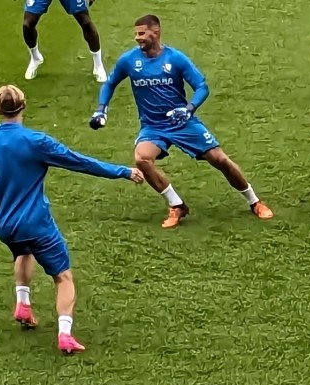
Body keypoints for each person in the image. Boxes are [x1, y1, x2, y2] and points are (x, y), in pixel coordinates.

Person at [0, 84, 144, 354]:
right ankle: (65, 334)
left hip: (3, 224)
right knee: (63, 276)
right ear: (24, 106)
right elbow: (79, 162)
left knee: (22, 251)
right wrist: (122, 171)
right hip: (34, 222)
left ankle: (23, 304)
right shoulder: (36, 142)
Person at [91, 14, 274, 227]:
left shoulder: (175, 58)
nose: (137, 38)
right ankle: (176, 205)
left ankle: (254, 201)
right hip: (153, 126)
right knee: (142, 158)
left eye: (142, 33)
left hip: (182, 122)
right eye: (136, 34)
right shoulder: (129, 60)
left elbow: (202, 86)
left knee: (220, 159)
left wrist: (188, 109)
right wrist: (101, 110)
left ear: (156, 32)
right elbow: (110, 83)